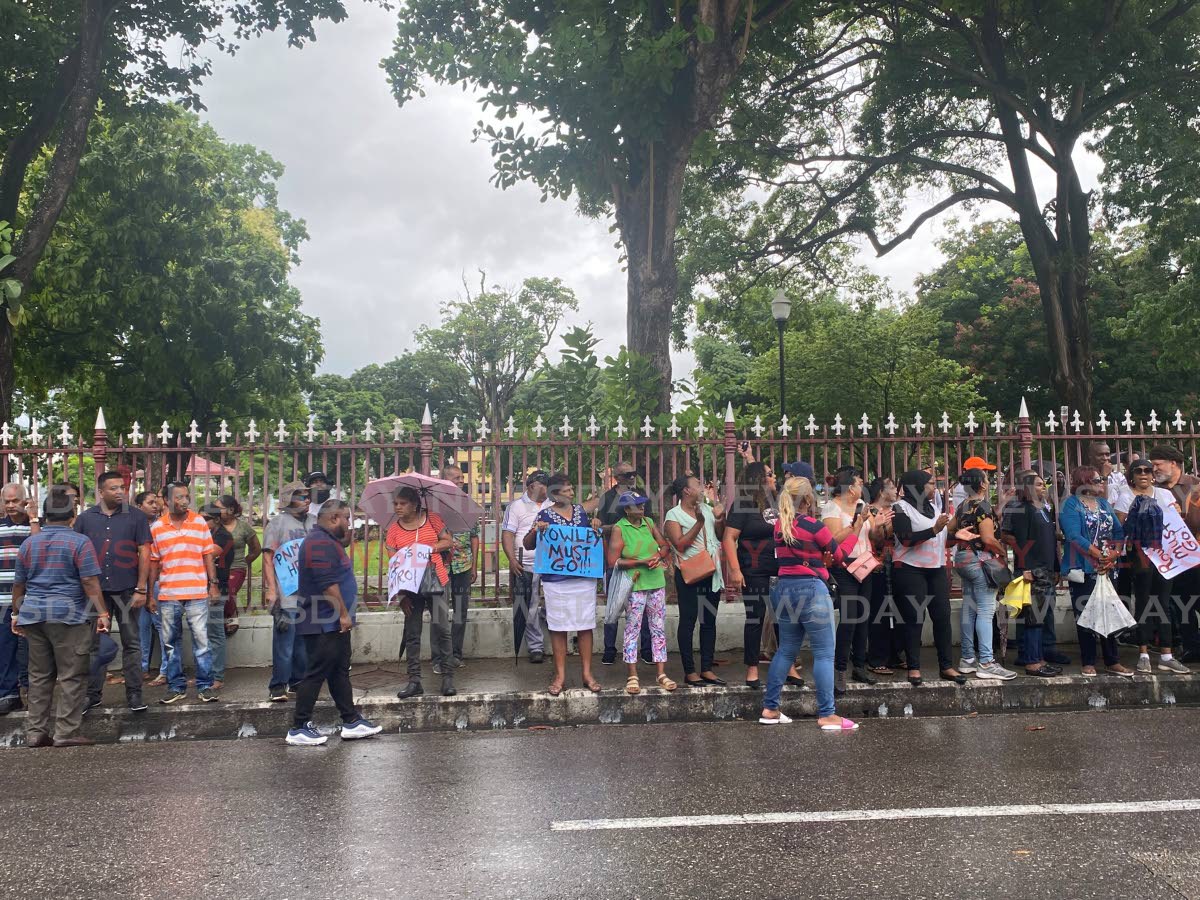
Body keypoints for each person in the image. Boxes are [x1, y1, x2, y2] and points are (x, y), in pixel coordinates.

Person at [759, 476, 859, 730]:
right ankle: (827, 713)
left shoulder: (780, 526)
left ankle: (770, 708)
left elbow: (799, 556)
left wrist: (818, 560)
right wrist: (856, 532)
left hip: (783, 590)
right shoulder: (814, 526)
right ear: (807, 499)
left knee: (786, 650)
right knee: (825, 653)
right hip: (812, 591)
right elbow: (838, 556)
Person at [11, 486, 107, 747]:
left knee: (39, 676)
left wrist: (16, 613)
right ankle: (66, 732)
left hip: (33, 615)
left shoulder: (30, 543)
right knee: (71, 674)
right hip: (68, 616)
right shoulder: (79, 542)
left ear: (44, 515)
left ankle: (35, 731)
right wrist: (103, 612)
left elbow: (19, 584)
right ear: (72, 515)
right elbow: (89, 581)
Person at [286, 500, 382, 746]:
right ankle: (299, 726)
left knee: (339, 671)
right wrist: (342, 614)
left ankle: (351, 720)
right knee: (316, 673)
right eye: (347, 519)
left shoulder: (327, 541)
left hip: (331, 621)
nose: (350, 525)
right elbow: (327, 583)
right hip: (322, 620)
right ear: (334, 518)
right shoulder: (319, 543)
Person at [75, 471, 152, 713]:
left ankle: (134, 694)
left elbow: (145, 553)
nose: (120, 492)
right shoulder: (86, 519)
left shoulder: (136, 517)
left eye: (122, 487)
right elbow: (76, 553)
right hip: (96, 593)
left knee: (132, 642)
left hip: (128, 589)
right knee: (95, 644)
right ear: (101, 492)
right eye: (114, 488)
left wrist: (142, 588)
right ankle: (93, 694)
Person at [524, 473, 602, 695]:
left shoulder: (581, 512)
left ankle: (587, 673)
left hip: (583, 579)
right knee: (558, 627)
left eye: (571, 489)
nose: (571, 493)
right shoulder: (544, 515)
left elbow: (591, 537)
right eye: (566, 490)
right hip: (556, 581)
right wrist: (537, 530)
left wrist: (596, 525)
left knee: (585, 625)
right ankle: (560, 675)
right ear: (554, 494)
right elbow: (528, 544)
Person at [724, 461, 800, 689]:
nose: (774, 476)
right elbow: (729, 538)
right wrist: (735, 570)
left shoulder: (778, 503)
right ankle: (752, 668)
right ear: (758, 479)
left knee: (784, 619)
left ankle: (788, 666)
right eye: (769, 473)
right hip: (754, 570)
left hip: (782, 570)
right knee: (755, 618)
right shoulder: (742, 505)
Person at [1113, 459, 1190, 674]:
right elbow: (1121, 527)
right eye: (1139, 471)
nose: (1144, 474)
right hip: (1141, 556)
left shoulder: (1165, 495)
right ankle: (1144, 654)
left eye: (1148, 470)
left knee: (1163, 603)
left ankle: (1166, 655)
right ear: (1132, 475)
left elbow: (1176, 524)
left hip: (1165, 557)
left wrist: (1176, 510)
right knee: (1145, 603)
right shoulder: (1126, 495)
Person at [892, 470, 966, 686]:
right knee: (914, 618)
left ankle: (946, 666)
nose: (935, 488)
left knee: (942, 617)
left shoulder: (933, 507)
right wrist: (934, 529)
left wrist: (954, 535)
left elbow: (940, 535)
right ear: (916, 486)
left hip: (936, 568)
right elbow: (906, 539)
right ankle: (914, 667)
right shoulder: (900, 508)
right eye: (931, 484)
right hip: (910, 568)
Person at [150, 482, 220, 704]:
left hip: (197, 592)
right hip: (168, 593)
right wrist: (150, 594)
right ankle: (175, 687)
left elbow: (208, 554)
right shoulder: (157, 527)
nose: (184, 501)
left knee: (202, 641)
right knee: (170, 643)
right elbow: (153, 562)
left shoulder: (199, 522)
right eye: (179, 497)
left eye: (187, 496)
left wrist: (213, 583)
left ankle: (205, 686)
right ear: (167, 500)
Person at [1061, 466, 1133, 678]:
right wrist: (1098, 555)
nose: (1102, 482)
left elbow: (1118, 530)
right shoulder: (1071, 504)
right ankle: (1088, 661)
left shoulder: (1103, 504)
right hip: (1084, 568)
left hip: (1108, 568)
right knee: (1086, 614)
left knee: (1109, 613)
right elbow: (1073, 535)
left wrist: (1114, 553)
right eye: (1097, 479)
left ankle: (1112, 660)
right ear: (1084, 481)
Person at [389, 485, 456, 698]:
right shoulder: (393, 531)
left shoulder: (433, 520)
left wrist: (429, 548)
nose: (398, 507)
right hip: (410, 587)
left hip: (436, 580)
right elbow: (393, 566)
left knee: (442, 630)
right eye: (395, 504)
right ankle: (414, 680)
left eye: (403, 503)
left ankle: (447, 678)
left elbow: (448, 541)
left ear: (415, 504)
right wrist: (400, 596)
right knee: (412, 633)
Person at [606, 492, 675, 694]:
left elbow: (664, 545)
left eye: (642, 504)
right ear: (627, 510)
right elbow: (614, 561)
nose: (641, 508)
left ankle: (661, 673)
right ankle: (632, 675)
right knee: (633, 628)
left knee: (658, 628)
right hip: (635, 584)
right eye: (637, 505)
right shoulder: (620, 528)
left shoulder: (648, 522)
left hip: (656, 582)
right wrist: (641, 562)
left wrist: (658, 556)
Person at [952, 468, 1017, 680]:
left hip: (963, 559)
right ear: (982, 484)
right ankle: (987, 662)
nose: (989, 481)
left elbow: (953, 530)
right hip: (980, 560)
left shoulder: (963, 506)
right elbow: (988, 538)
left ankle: (967, 659)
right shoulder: (983, 506)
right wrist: (1002, 552)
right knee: (986, 611)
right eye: (987, 479)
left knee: (969, 609)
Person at [822, 466, 882, 692]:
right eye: (859, 483)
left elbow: (874, 537)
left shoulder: (864, 508)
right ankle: (839, 670)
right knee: (848, 618)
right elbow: (833, 540)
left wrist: (880, 525)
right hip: (844, 567)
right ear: (849, 486)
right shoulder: (832, 507)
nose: (862, 487)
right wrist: (856, 523)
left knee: (862, 617)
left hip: (864, 565)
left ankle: (859, 665)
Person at [664, 474, 726, 688]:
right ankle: (689, 671)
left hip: (711, 572)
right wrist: (699, 523)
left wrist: (719, 518)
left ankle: (707, 668)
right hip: (690, 574)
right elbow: (680, 545)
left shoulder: (707, 510)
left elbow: (719, 534)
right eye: (697, 484)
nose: (702, 487)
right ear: (686, 491)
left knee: (708, 621)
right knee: (688, 621)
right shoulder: (673, 515)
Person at [590, 461, 654, 666]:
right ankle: (610, 649)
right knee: (614, 607)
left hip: (640, 559)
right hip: (616, 561)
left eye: (634, 473)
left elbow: (649, 524)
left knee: (642, 607)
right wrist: (618, 528)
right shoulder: (607, 498)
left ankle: (646, 650)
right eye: (628, 474)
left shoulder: (642, 496)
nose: (632, 477)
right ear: (617, 477)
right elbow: (600, 526)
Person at [1001, 471, 1063, 678]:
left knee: (1040, 617)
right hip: (1032, 570)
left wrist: (1055, 567)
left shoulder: (1043, 509)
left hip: (1044, 570)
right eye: (1038, 484)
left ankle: (1039, 657)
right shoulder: (1024, 509)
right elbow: (1018, 541)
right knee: (1033, 618)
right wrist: (1025, 567)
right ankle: (1032, 662)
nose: (1043, 486)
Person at [1148, 445, 1200, 662]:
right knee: (1181, 604)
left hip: (1195, 557)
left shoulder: (1194, 487)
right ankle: (1191, 647)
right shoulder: (1154, 491)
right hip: (1170, 560)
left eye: (1158, 464)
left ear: (1174, 463)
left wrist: (1182, 517)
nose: (1154, 469)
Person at [262, 481, 311, 702]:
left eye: (307, 496)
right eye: (301, 496)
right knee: (285, 641)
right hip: (286, 592)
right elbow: (267, 558)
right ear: (289, 499)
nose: (306, 499)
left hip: (310, 591)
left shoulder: (315, 522)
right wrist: (272, 590)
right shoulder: (277, 524)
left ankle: (298, 681)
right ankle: (278, 685)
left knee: (303, 640)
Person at [208, 495, 259, 688]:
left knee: (228, 591)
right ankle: (224, 616)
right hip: (217, 569)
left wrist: (245, 562)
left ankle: (232, 612)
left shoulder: (243, 527)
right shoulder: (212, 527)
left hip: (236, 567)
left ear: (230, 510)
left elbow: (256, 549)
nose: (216, 510)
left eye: (219, 507)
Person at [501, 470, 550, 664]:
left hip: (550, 564)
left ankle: (550, 626)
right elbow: (507, 534)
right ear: (531, 486)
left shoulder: (552, 505)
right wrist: (512, 560)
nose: (547, 488)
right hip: (526, 565)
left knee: (553, 602)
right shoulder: (516, 507)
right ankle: (536, 646)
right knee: (529, 606)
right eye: (543, 484)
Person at [0, 483, 37, 716]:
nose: (11, 505)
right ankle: (9, 694)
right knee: (6, 648)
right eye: (7, 501)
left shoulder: (36, 528)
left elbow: (38, 550)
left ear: (26, 500)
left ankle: (36, 696)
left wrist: (33, 519)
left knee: (35, 650)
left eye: (16, 500)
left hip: (32, 599)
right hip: (3, 599)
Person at [864, 477, 905, 674]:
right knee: (878, 610)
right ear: (881, 492)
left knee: (896, 609)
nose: (896, 490)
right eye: (891, 487)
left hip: (896, 564)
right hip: (876, 565)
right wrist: (882, 526)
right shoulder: (871, 511)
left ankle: (894, 654)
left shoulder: (896, 511)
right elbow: (877, 540)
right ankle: (876, 657)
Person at [440, 464, 478, 669]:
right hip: (441, 566)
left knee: (460, 611)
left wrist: (474, 566)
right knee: (440, 612)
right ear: (445, 480)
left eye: (461, 477)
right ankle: (441, 656)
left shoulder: (468, 505)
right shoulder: (436, 506)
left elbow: (474, 537)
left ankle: (456, 654)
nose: (460, 481)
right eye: (455, 478)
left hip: (463, 565)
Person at [134, 490, 165, 683]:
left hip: (157, 581)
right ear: (139, 506)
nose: (155, 506)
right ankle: (142, 667)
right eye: (150, 502)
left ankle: (166, 670)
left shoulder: (160, 526)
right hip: (139, 584)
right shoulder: (134, 525)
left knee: (161, 625)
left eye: (156, 502)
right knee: (141, 626)